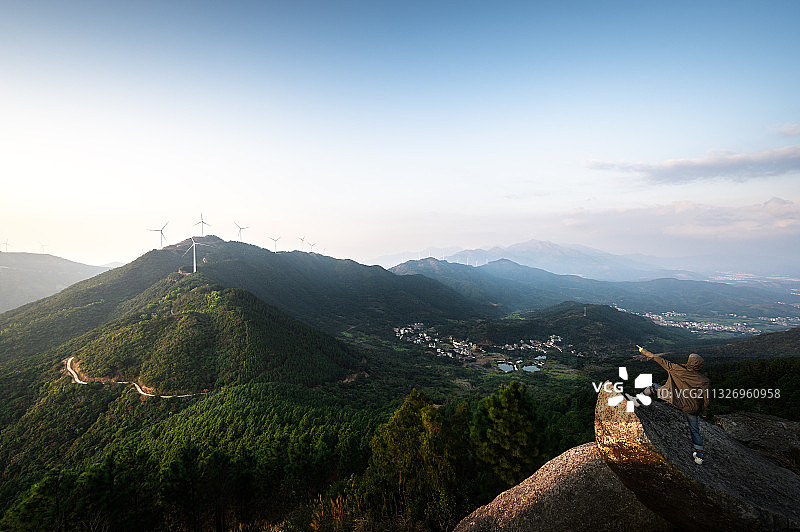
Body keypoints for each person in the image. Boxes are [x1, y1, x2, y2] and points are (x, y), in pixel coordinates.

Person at [636, 345, 711, 465]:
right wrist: (705, 412)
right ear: (699, 365)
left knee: (653, 387)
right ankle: (699, 454)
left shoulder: (676, 368)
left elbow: (655, 357)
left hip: (676, 400)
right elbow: (707, 400)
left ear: (690, 362)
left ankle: (637, 401)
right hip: (691, 408)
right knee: (694, 429)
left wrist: (642, 351)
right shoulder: (704, 380)